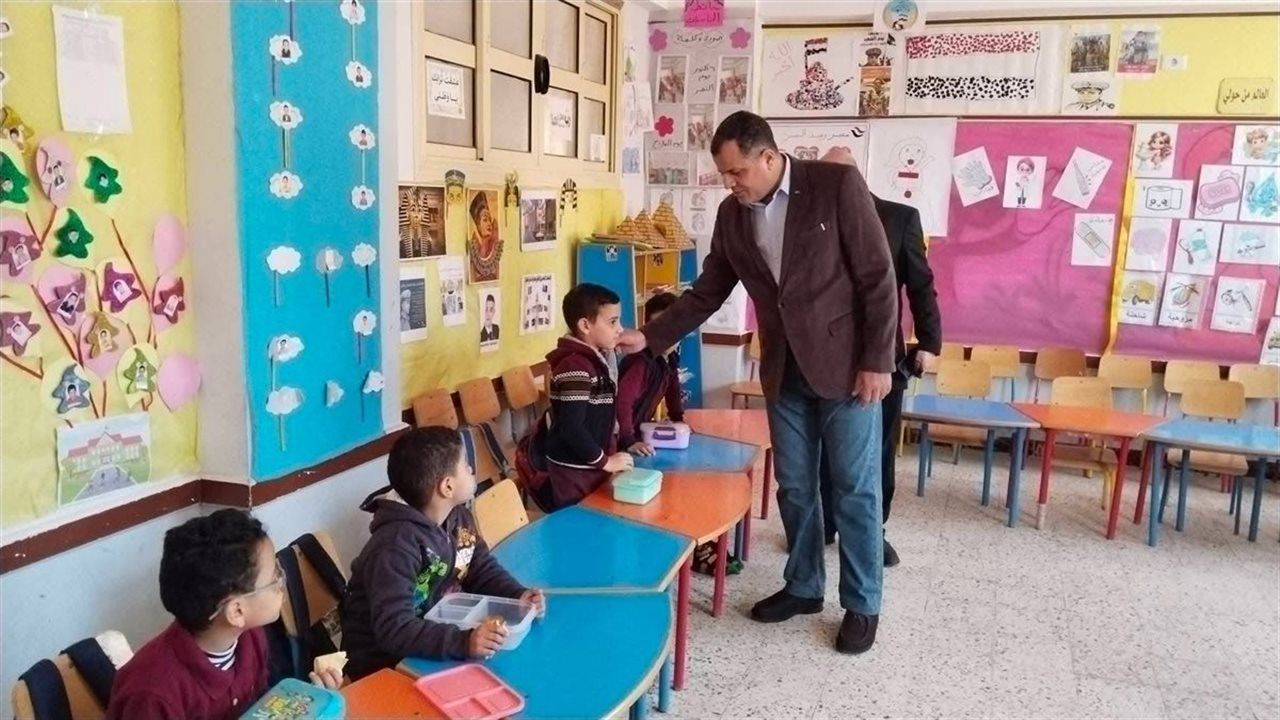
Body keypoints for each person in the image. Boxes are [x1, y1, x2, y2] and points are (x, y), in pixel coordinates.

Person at [618, 111, 898, 655]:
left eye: (737, 172)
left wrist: (877, 361)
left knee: (854, 488)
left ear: (769, 157)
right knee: (794, 485)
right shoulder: (733, 215)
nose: (731, 183)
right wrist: (649, 337)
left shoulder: (836, 186)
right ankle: (804, 586)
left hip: (847, 369)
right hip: (784, 369)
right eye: (724, 174)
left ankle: (863, 603)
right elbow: (708, 291)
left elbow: (877, 277)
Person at [815, 147, 942, 566]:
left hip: (882, 358)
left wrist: (929, 343)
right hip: (822, 360)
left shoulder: (899, 218)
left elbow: (920, 286)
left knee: (878, 452)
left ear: (854, 179)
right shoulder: (809, 221)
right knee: (824, 449)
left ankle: (874, 531)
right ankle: (825, 523)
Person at [342, 427, 545, 680]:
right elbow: (394, 628)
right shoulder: (394, 547)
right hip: (383, 666)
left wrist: (517, 595)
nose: (471, 469)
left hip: (430, 642)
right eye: (466, 465)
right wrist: (463, 642)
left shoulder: (458, 518)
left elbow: (477, 567)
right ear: (447, 486)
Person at [106, 510, 341, 720]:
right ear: (237, 611)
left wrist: (310, 701)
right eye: (274, 578)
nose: (282, 582)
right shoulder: (152, 695)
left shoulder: (251, 638)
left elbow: (261, 711)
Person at [616, 293, 743, 577]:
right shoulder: (640, 361)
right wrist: (628, 440)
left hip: (642, 434)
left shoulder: (668, 358)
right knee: (671, 486)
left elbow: (673, 389)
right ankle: (687, 546)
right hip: (624, 440)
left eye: (671, 327)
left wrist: (678, 419)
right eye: (658, 327)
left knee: (688, 479)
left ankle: (696, 541)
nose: (666, 335)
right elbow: (622, 403)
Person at [516, 283, 634, 511]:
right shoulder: (575, 366)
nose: (620, 329)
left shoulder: (596, 359)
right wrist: (606, 462)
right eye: (612, 322)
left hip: (589, 464)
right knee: (578, 524)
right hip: (573, 470)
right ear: (585, 326)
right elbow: (571, 428)